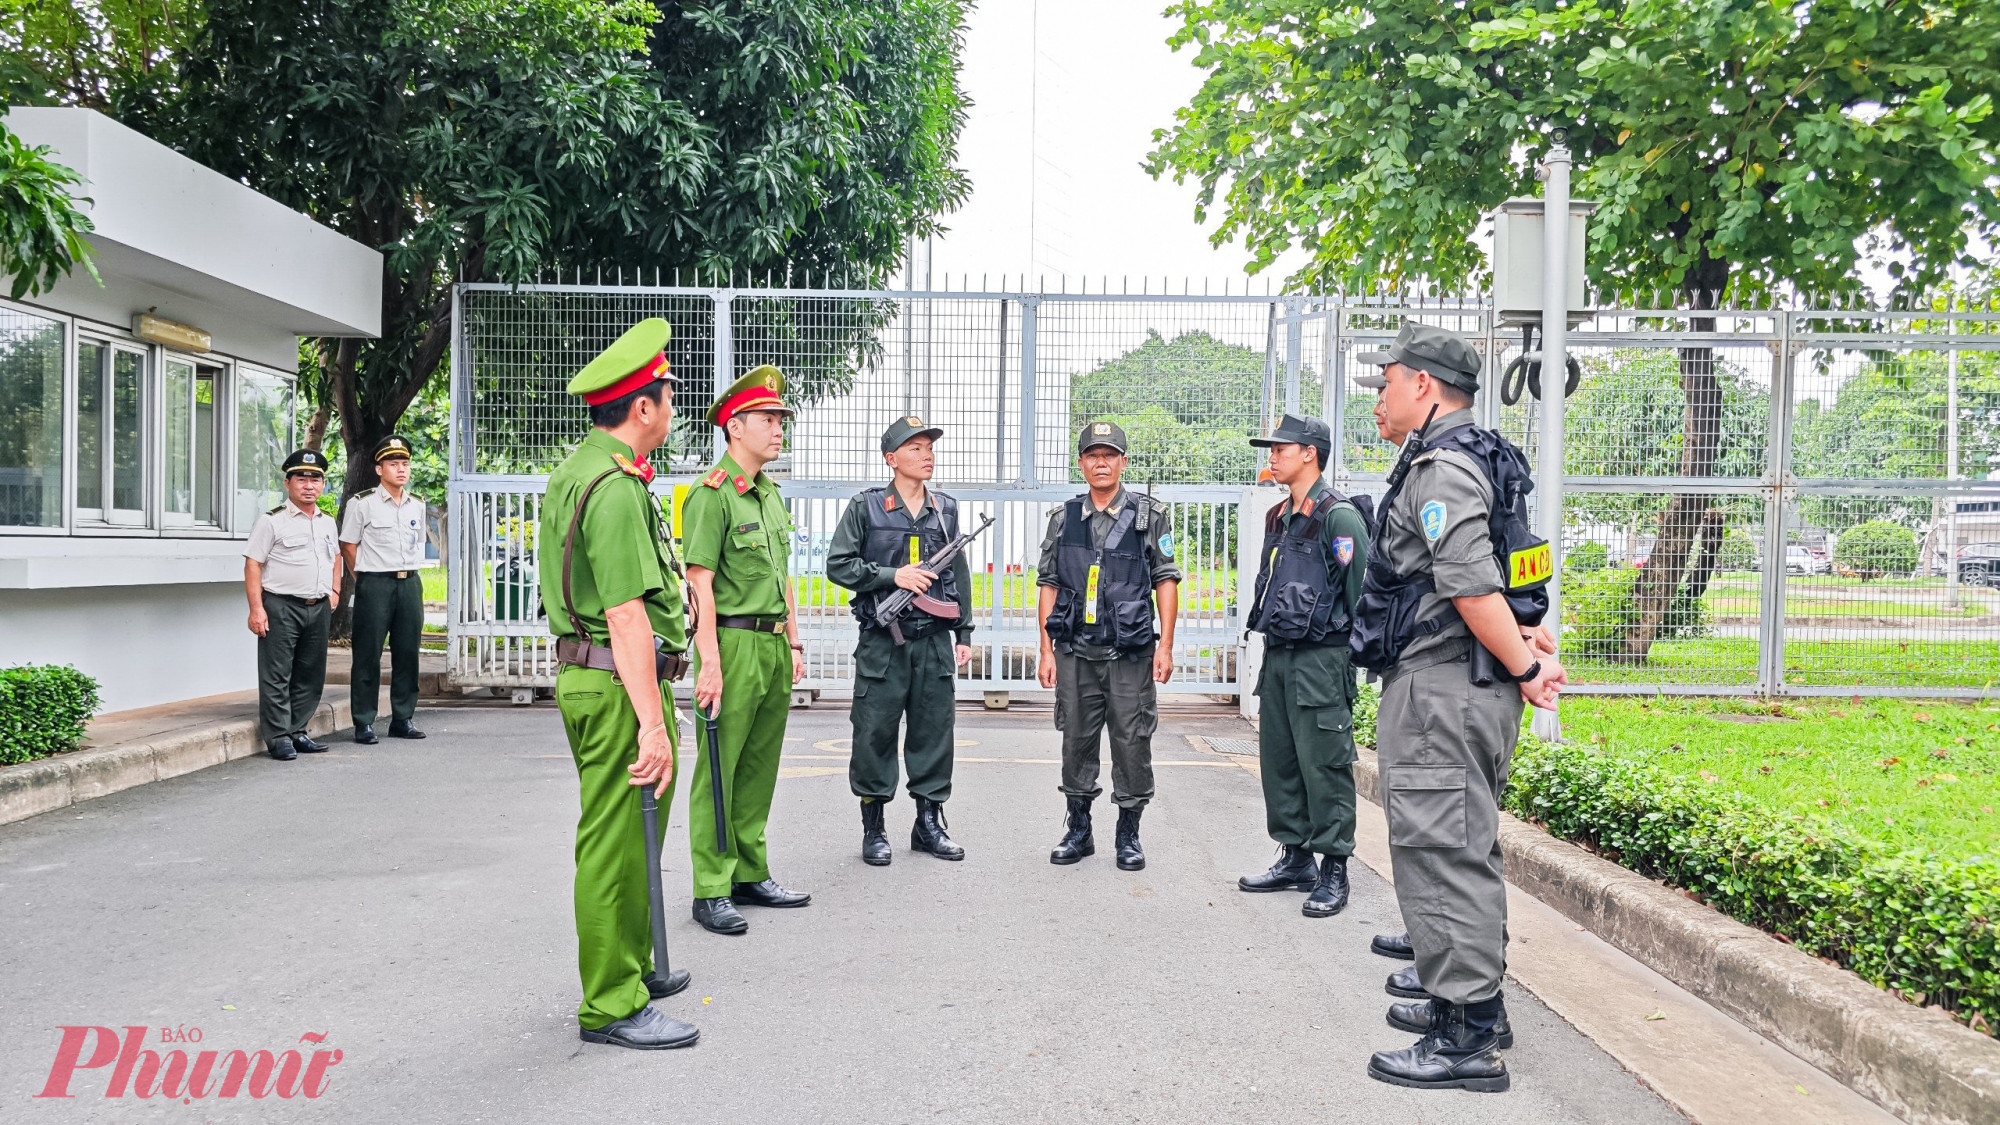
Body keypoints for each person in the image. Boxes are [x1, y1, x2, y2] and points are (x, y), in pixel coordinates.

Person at [1350, 323, 1567, 1093]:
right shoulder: (1479, 454)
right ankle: (1469, 1003)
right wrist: (1524, 641)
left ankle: (1466, 1034)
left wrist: (1525, 664)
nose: (1378, 396)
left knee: (1442, 847)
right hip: (1460, 681)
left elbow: (1473, 585)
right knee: (1461, 841)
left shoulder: (1443, 468)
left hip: (1446, 685)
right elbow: (1510, 571)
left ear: (1424, 386)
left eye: (1386, 381)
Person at [539, 316, 698, 1050]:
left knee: (626, 837)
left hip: (596, 678)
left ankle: (631, 972)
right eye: (668, 395)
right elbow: (627, 615)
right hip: (616, 682)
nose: (673, 405)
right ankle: (611, 1003)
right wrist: (654, 721)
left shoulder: (581, 470)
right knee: (613, 842)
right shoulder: (613, 487)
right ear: (643, 408)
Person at [683, 365, 809, 935]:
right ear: (735, 427)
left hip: (773, 643)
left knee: (758, 765)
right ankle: (710, 886)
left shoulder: (768, 494)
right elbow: (699, 583)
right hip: (731, 643)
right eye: (767, 419)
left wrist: (794, 637)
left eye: (780, 419)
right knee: (719, 767)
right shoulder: (712, 496)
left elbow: (782, 574)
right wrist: (709, 660)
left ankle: (749, 870)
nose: (778, 428)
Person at [825, 416, 975, 865]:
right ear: (891, 459)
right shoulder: (866, 508)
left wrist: (963, 631)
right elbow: (839, 565)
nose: (926, 454)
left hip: (933, 642)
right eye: (914, 448)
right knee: (873, 733)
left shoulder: (944, 508)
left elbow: (957, 573)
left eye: (929, 446)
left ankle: (928, 825)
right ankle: (874, 829)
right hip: (882, 642)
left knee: (933, 732)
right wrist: (894, 576)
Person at [1237, 413, 1369, 918]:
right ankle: (1295, 857)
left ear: (1309, 453)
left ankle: (1334, 867)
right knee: (1281, 760)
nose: (1272, 456)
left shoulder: (1339, 517)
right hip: (1281, 655)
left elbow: (1361, 594)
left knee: (1325, 764)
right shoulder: (1278, 515)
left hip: (1322, 658)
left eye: (1280, 448)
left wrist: (1358, 662)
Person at [1036, 421, 1180, 871]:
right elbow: (1049, 584)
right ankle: (1079, 830)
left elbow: (1166, 580)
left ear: (1123, 462)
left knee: (1132, 742)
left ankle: (1128, 834)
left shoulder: (1148, 516)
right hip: (1075, 651)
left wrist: (1167, 646)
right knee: (1075, 740)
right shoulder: (1064, 519)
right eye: (1092, 455)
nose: (1101, 462)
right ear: (1081, 463)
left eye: (1110, 455)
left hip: (1130, 654)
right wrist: (1045, 650)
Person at [242, 449, 341, 761]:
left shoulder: (327, 522)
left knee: (310, 673)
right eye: (302, 479)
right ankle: (279, 737)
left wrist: (334, 590)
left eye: (316, 479)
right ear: (288, 483)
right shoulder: (271, 521)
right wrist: (256, 608)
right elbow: (253, 565)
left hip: (318, 606)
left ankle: (298, 730)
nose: (309, 485)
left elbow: (335, 556)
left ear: (322, 485)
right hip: (281, 606)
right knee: (277, 674)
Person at [340, 434, 429, 744]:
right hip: (375, 583)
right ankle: (364, 721)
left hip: (410, 584)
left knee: (408, 653)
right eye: (393, 464)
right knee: (367, 654)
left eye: (404, 463)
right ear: (379, 469)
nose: (401, 469)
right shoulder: (362, 503)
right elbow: (348, 545)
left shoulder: (417, 504)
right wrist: (363, 578)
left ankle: (402, 718)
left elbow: (417, 545)